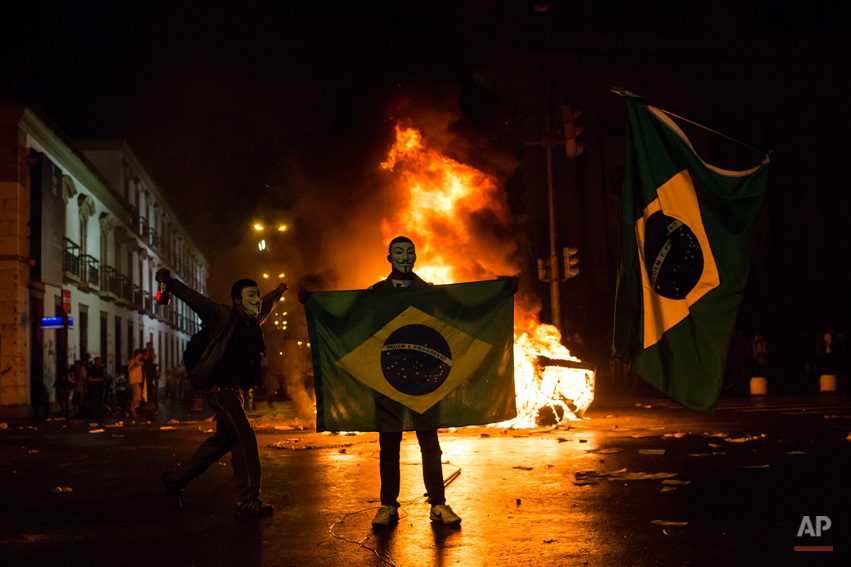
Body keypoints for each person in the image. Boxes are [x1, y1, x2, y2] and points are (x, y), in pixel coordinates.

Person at [300, 236, 465, 527]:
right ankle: (388, 505)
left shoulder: (428, 293)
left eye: (410, 252)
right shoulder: (376, 294)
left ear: (416, 257)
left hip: (423, 378)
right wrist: (315, 304)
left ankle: (438, 505)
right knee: (389, 444)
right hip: (387, 377)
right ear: (389, 258)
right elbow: (347, 320)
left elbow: (462, 311)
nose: (405, 256)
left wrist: (501, 293)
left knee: (429, 443)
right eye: (399, 252)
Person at [158, 268, 287, 516]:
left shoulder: (252, 322)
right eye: (251, 296)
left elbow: (267, 305)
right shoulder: (222, 316)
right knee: (245, 438)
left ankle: (175, 480)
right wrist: (171, 284)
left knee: (222, 443)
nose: (256, 301)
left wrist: (278, 293)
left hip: (233, 392)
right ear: (237, 300)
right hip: (220, 391)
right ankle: (248, 500)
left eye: (257, 296)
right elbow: (196, 299)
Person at [128, 350, 145, 418]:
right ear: (138, 354)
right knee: (136, 397)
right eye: (141, 354)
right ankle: (133, 411)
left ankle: (133, 410)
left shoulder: (139, 361)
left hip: (137, 381)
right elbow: (129, 370)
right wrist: (136, 365)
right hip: (134, 381)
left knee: (136, 396)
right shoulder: (133, 360)